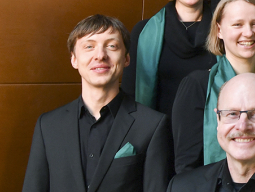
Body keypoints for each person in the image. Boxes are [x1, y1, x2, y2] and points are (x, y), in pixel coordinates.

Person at [24, 15, 172, 192]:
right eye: (89, 46)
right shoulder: (48, 125)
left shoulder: (152, 125)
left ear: (126, 59)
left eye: (111, 46)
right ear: (74, 60)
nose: (100, 55)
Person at [171, 0, 255, 174]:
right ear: (219, 30)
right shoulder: (197, 85)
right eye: (237, 24)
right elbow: (186, 165)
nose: (248, 33)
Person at [123, 0, 219, 119]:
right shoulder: (143, 32)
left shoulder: (224, 31)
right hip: (157, 136)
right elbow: (129, 96)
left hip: (210, 136)